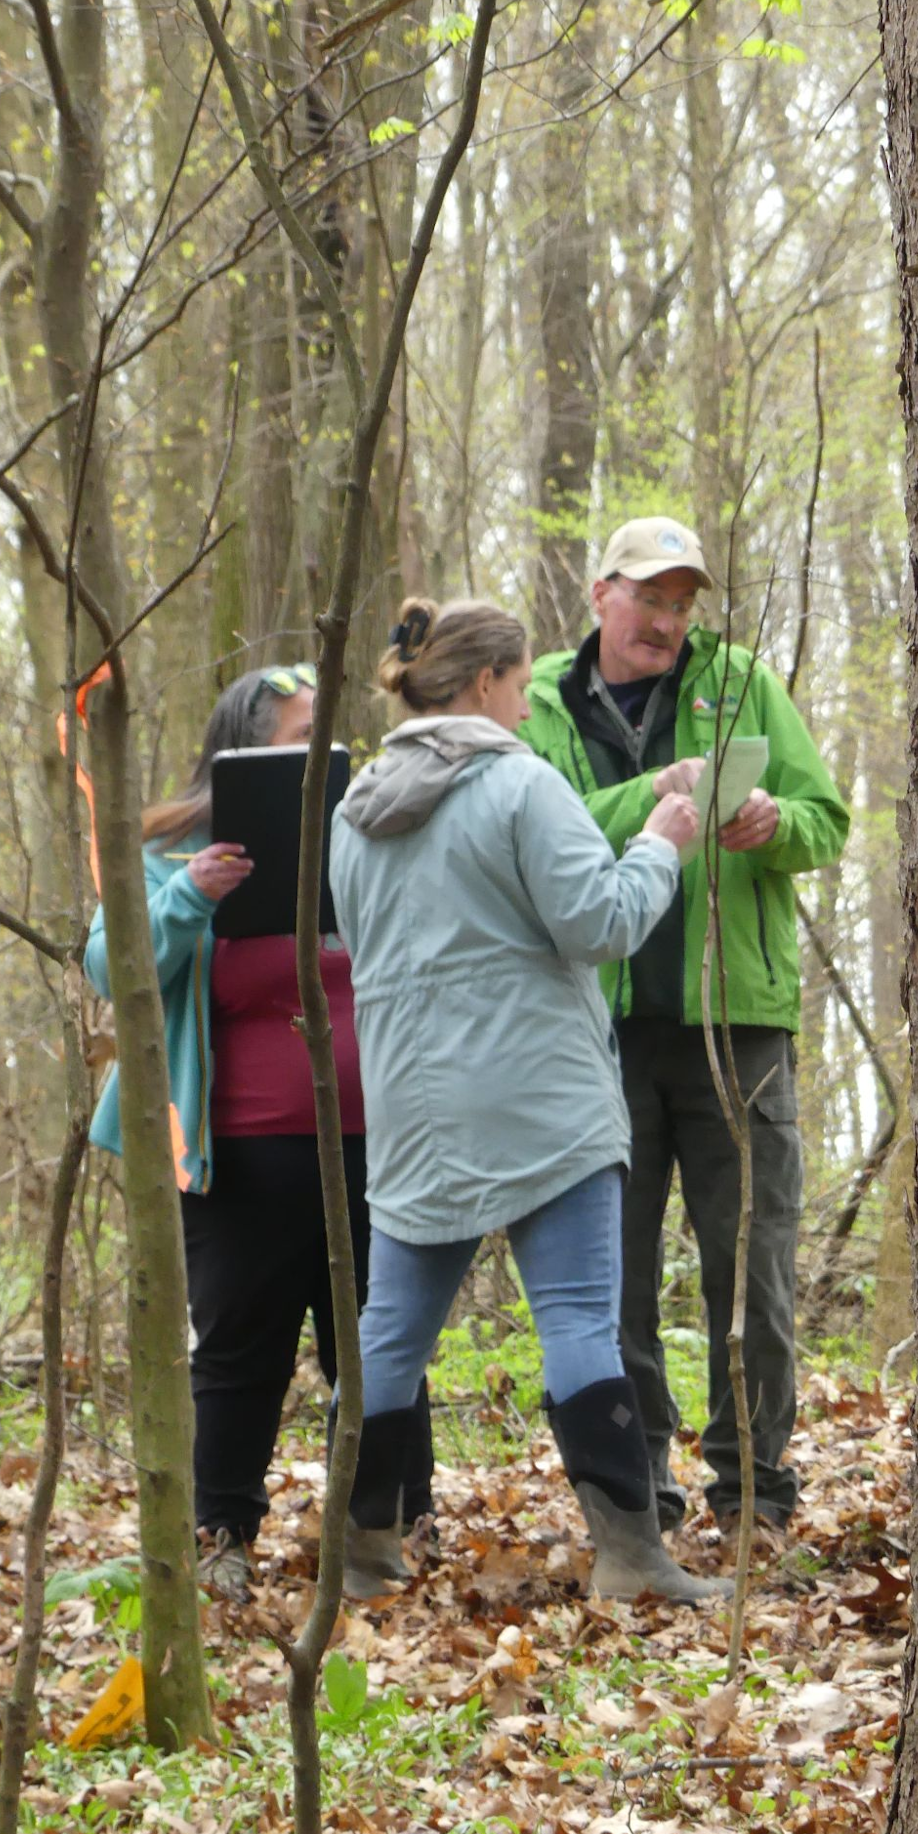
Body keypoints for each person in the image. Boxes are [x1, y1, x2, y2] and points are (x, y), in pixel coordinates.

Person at [329, 595, 732, 1605]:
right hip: (542, 1102)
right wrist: (662, 844)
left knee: (389, 1334)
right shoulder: (519, 784)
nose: (524, 708)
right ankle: (632, 1556)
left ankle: (360, 1546)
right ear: (482, 683)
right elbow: (597, 921)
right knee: (579, 1322)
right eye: (518, 688)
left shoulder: (353, 810)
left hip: (414, 1107)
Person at [520, 517, 850, 1534]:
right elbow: (541, 829)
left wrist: (771, 825)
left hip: (735, 1028)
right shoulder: (541, 700)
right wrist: (654, 794)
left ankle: (754, 1493)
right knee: (606, 1275)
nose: (665, 619)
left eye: (681, 602)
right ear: (599, 594)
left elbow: (824, 818)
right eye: (648, 596)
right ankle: (637, 1493)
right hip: (597, 1027)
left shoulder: (742, 681)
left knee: (748, 1267)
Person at [84, 662, 431, 1601]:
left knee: (379, 1338)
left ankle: (392, 1521)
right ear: (241, 754)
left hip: (381, 1144)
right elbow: (111, 967)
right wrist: (191, 894)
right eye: (294, 736)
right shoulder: (170, 855)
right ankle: (220, 1532)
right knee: (241, 1344)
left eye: (324, 734)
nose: (316, 751)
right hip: (239, 1156)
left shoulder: (364, 840)